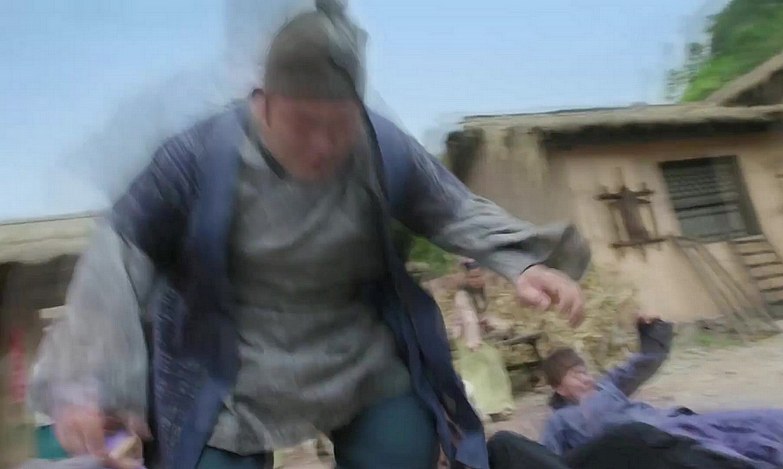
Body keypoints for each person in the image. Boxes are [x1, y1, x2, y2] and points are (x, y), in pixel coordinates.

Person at [27, 2, 591, 469]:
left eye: (339, 126)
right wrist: (86, 383)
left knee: (405, 449)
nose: (323, 146)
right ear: (263, 104)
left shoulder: (378, 147)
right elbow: (119, 255)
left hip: (353, 355)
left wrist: (524, 264)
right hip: (233, 371)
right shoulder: (198, 159)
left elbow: (451, 208)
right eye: (303, 125)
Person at [540, 316, 783, 469]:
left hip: (676, 421)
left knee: (759, 419)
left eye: (584, 370)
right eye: (575, 374)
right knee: (718, 454)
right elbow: (549, 461)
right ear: (558, 387)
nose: (585, 378)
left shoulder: (608, 386)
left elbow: (646, 361)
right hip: (649, 445)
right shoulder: (560, 421)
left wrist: (652, 332)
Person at [449, 260, 515, 421]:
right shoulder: (462, 295)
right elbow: (468, 319)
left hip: (480, 336)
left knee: (494, 365)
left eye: (478, 276)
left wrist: (499, 325)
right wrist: (473, 342)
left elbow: (482, 316)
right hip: (467, 338)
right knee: (478, 373)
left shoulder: (480, 293)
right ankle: (481, 408)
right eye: (472, 277)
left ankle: (499, 406)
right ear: (466, 278)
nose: (476, 280)